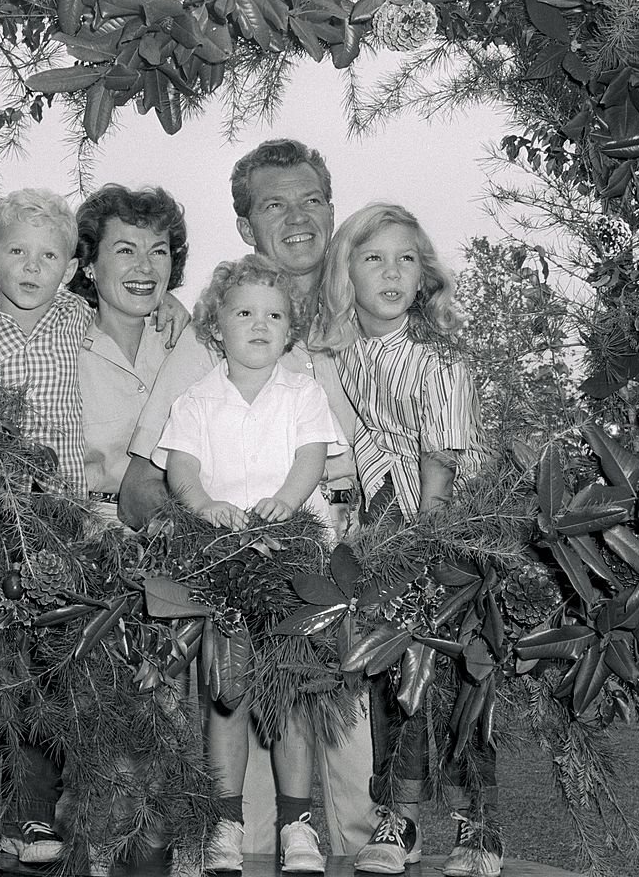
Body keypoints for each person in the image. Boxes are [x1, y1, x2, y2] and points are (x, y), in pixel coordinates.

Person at [119, 138, 378, 856]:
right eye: (274, 204)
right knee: (250, 831)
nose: (298, 216)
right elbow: (143, 483)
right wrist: (218, 540)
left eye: (311, 199)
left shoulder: (367, 320)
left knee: (356, 819)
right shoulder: (213, 341)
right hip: (243, 582)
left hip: (344, 589)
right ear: (245, 227)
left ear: (333, 208)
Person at [312, 203, 499, 877]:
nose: (391, 272)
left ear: (424, 276)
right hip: (386, 523)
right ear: (346, 272)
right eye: (373, 258)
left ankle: (480, 829)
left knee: (460, 674)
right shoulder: (347, 351)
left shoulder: (436, 350)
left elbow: (441, 455)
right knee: (399, 675)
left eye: (406, 259)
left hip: (446, 523)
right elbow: (355, 449)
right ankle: (401, 818)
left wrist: (429, 542)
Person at [156, 255, 346, 872]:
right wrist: (203, 501)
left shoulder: (303, 393)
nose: (259, 324)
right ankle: (225, 821)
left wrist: (287, 503)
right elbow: (181, 466)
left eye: (273, 314)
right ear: (216, 326)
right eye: (244, 313)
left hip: (291, 562)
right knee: (227, 695)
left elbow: (312, 457)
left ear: (290, 329)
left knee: (292, 694)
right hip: (226, 565)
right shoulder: (196, 400)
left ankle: (298, 823)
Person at [0, 187, 89, 865]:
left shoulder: (77, 321)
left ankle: (36, 813)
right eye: (17, 252)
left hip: (62, 521)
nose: (33, 267)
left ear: (69, 265)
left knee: (46, 667)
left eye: (50, 255)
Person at [69, 183, 189, 519]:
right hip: (89, 532)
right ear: (88, 265)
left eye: (158, 251)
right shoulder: (61, 348)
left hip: (185, 528)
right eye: (125, 251)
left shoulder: (190, 343)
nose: (145, 267)